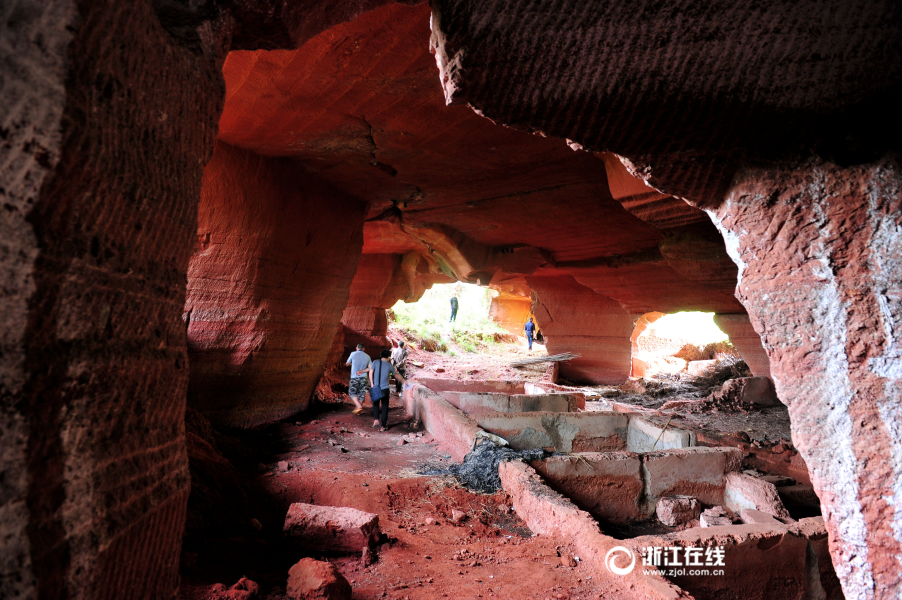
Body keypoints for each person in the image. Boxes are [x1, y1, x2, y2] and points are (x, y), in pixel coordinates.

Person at [358, 349, 406, 431]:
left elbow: (370, 372)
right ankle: (383, 426)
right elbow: (396, 375)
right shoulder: (389, 365)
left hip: (376, 387)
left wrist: (372, 384)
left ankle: (376, 420)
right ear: (388, 357)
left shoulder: (375, 362)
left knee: (376, 404)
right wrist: (404, 382)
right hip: (385, 389)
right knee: (384, 407)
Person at [345, 343, 371, 415]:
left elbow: (347, 363)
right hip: (364, 377)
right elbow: (370, 368)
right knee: (362, 393)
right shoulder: (367, 356)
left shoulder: (353, 354)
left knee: (352, 392)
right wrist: (362, 371)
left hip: (354, 377)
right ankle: (359, 411)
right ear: (364, 349)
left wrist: (350, 364)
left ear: (356, 348)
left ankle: (358, 405)